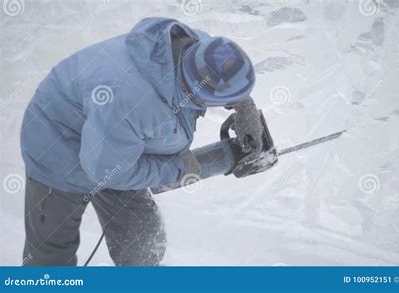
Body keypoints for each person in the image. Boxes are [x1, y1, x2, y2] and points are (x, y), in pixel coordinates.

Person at [20, 17, 263, 266]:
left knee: (143, 238)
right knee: (50, 254)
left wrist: (244, 106)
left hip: (113, 143)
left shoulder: (196, 48)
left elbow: (220, 70)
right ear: (196, 94)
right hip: (56, 146)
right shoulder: (131, 100)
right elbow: (106, 172)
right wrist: (178, 168)